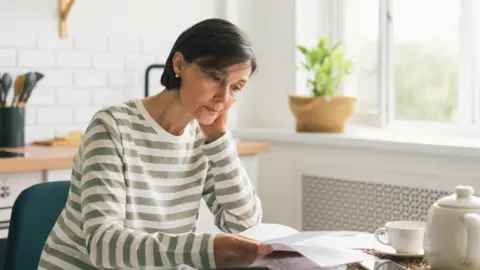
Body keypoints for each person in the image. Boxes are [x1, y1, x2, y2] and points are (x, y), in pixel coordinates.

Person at [39, 18, 273, 270]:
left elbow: (246, 225)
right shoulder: (112, 126)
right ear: (179, 64)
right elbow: (103, 246)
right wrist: (204, 250)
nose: (223, 99)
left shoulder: (203, 140)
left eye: (236, 87)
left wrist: (219, 140)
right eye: (215, 77)